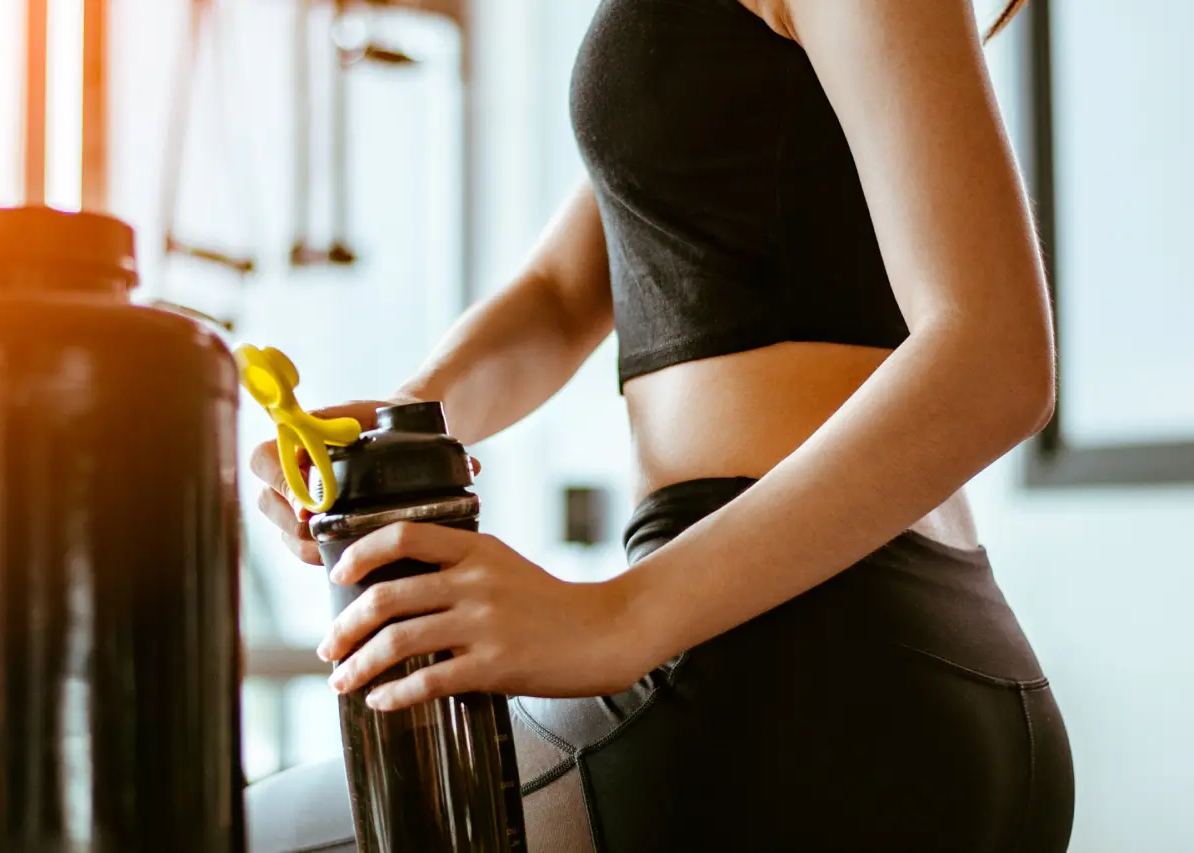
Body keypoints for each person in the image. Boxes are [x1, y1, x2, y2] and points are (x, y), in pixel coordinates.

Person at [243, 0, 1074, 850]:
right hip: (871, 675)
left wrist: (616, 619)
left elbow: (996, 359)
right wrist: (398, 425)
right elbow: (563, 294)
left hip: (789, 683)